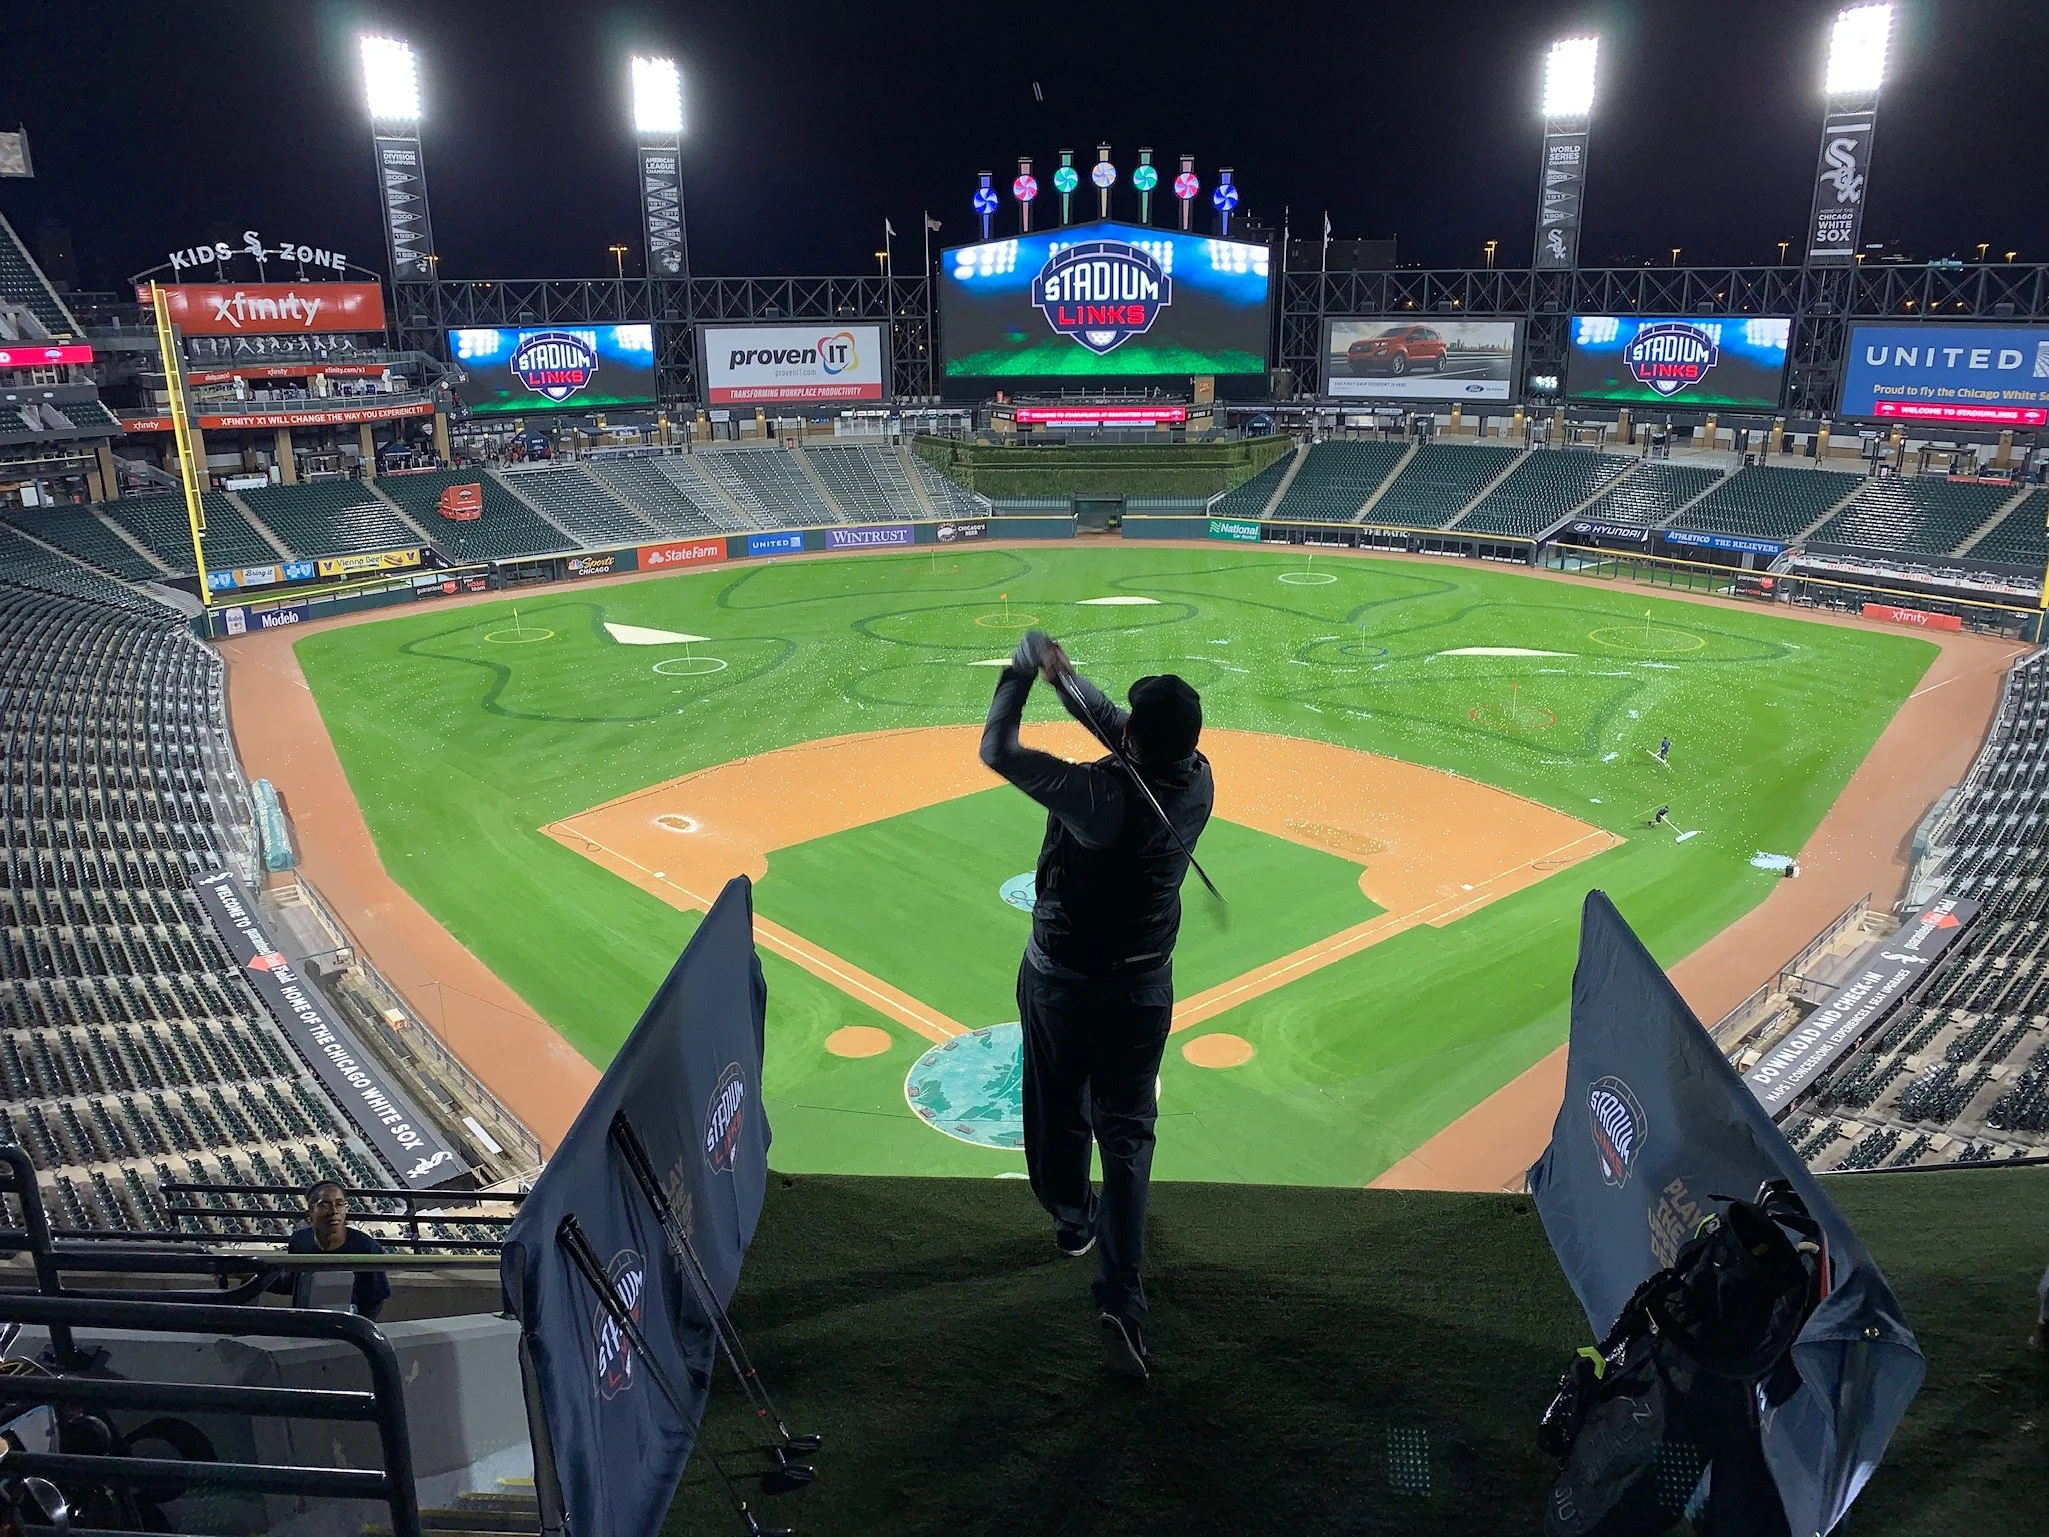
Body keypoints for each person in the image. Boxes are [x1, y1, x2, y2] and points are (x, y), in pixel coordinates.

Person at [979, 629, 1213, 1381]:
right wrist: (1064, 680)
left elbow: (999, 752)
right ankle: (1121, 1294)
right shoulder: (1197, 777)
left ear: (1138, 739)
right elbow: (1114, 721)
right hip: (1144, 986)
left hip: (1066, 982)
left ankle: (1073, 1216)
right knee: (1127, 1136)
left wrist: (1020, 672)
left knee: (1056, 1110)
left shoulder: (1098, 798)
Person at [270, 1180, 391, 1320]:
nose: (334, 1211)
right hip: (304, 1321)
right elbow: (290, 1284)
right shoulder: (299, 1241)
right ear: (310, 1213)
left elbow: (375, 1299)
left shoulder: (367, 1248)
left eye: (340, 1204)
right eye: (325, 1205)